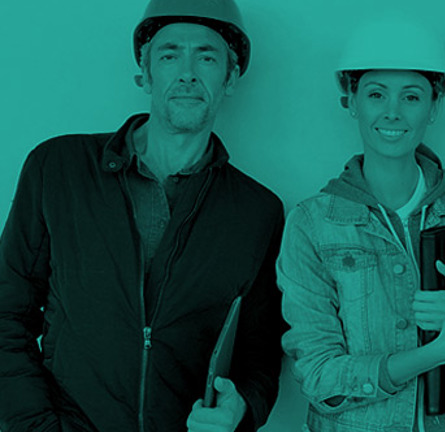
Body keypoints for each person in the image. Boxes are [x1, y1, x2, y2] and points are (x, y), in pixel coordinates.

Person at [0, 0, 285, 431]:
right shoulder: (58, 168)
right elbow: (6, 314)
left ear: (230, 77)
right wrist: (35, 426)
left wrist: (240, 407)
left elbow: (260, 356)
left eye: (206, 56)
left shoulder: (256, 211)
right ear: (145, 72)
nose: (187, 72)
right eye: (169, 55)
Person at [277, 20, 445, 432]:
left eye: (412, 96)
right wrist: (443, 348)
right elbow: (318, 376)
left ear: (434, 107)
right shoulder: (311, 223)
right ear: (350, 101)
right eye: (376, 94)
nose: (393, 112)